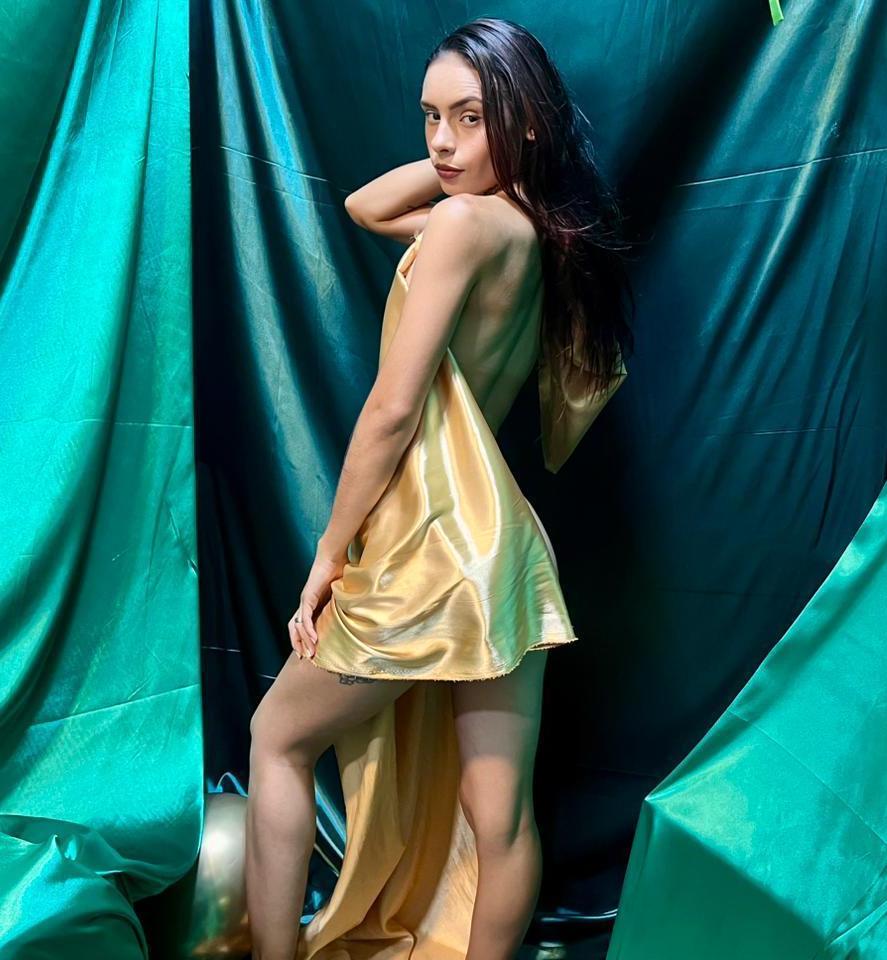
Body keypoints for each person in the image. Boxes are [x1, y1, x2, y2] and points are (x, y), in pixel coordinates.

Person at [245, 17, 635, 960]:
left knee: (275, 740)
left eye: (470, 116)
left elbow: (391, 412)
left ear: (527, 120)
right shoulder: (531, 233)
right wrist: (472, 148)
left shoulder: (463, 226)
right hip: (501, 550)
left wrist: (328, 555)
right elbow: (366, 206)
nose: (441, 142)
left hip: (427, 547)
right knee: (501, 815)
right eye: (429, 117)